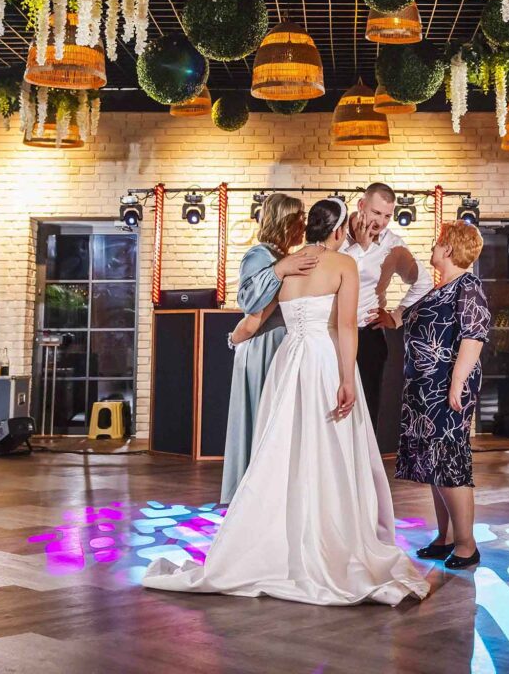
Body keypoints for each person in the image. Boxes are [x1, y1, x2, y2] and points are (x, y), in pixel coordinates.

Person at [144, 198, 430, 606]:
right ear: (338, 230)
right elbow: (346, 327)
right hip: (324, 361)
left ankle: (278, 536)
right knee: (329, 449)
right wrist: (347, 379)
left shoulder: (287, 265)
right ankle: (330, 534)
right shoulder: (343, 264)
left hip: (288, 362)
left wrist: (233, 340)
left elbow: (254, 320)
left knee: (283, 449)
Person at [396, 220, 490, 570]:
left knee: (450, 460)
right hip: (424, 387)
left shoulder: (468, 286)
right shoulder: (442, 287)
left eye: (437, 242)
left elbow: (473, 337)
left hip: (444, 387)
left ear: (449, 248)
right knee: (433, 461)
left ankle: (466, 544)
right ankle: (446, 537)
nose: (433, 247)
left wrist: (457, 383)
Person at [220, 193, 314, 504]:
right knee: (260, 419)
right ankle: (252, 496)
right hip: (262, 348)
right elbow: (251, 305)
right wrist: (280, 270)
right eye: (298, 219)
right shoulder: (258, 256)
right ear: (284, 221)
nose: (303, 225)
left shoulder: (286, 256)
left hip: (281, 345)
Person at [340, 182, 431, 454]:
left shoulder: (393, 245)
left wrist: (396, 316)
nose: (380, 221)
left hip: (367, 335)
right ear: (361, 206)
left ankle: (362, 467)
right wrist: (359, 247)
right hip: (332, 334)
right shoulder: (336, 235)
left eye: (388, 216)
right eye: (376, 213)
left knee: (366, 409)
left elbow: (424, 283)